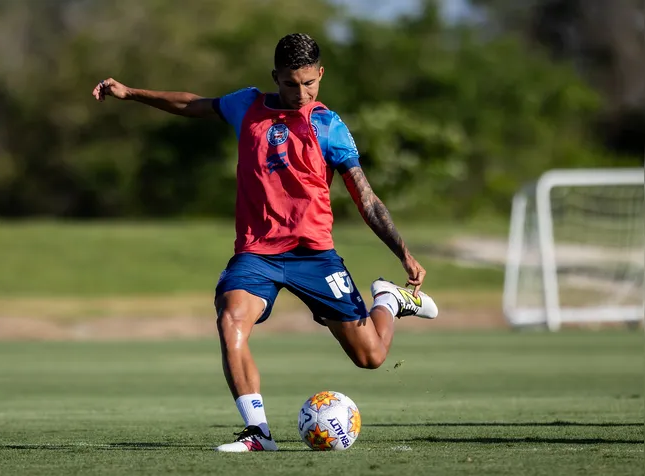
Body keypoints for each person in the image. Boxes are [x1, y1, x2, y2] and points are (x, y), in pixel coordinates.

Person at [92, 32, 438, 452]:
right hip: (257, 253)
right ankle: (258, 432)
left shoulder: (328, 125)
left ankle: (387, 299)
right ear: (275, 76)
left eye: (310, 83)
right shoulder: (246, 105)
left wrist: (402, 252)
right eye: (291, 83)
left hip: (315, 257)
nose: (301, 92)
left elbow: (365, 197)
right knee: (230, 319)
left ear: (321, 75)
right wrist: (131, 93)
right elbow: (190, 103)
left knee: (370, 358)